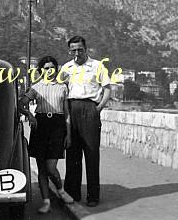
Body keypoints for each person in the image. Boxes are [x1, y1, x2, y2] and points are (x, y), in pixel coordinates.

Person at [19, 56, 74, 214]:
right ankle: (46, 202)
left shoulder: (63, 87)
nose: (49, 71)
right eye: (46, 68)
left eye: (52, 68)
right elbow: (21, 103)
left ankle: (61, 190)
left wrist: (68, 134)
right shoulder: (36, 88)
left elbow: (66, 113)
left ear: (56, 69)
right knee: (42, 168)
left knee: (51, 167)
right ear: (41, 70)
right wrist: (30, 115)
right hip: (41, 125)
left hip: (57, 126)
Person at [61, 35, 112, 207]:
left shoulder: (97, 65)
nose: (77, 53)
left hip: (90, 109)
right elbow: (60, 90)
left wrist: (98, 109)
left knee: (91, 154)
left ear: (86, 49)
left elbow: (107, 90)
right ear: (69, 51)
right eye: (73, 50)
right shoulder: (66, 68)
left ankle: (93, 196)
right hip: (71, 109)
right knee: (72, 154)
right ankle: (72, 194)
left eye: (80, 50)